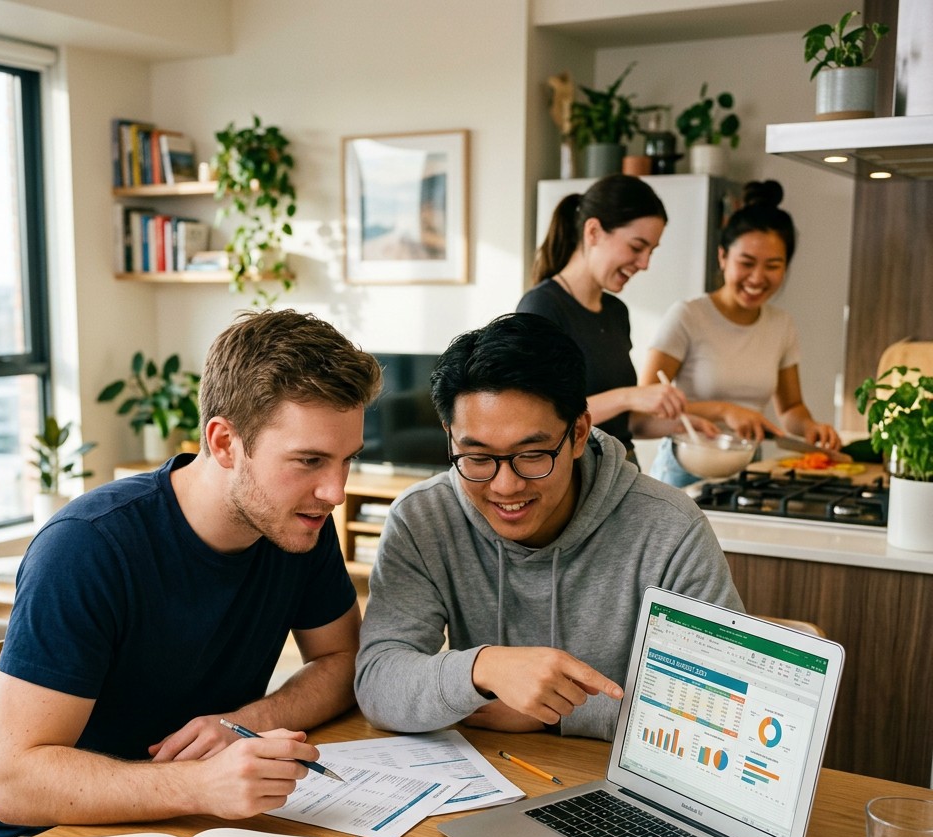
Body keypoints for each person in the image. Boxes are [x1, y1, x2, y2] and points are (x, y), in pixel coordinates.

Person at [0, 308, 382, 837]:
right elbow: (16, 784)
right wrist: (200, 783)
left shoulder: (297, 522)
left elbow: (344, 661)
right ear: (226, 442)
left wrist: (245, 726)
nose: (334, 491)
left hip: (187, 825)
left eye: (346, 460)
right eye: (309, 460)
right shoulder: (86, 548)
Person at [355, 312, 742, 740]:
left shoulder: (670, 528)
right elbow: (378, 681)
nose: (505, 486)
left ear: (578, 433)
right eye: (478, 457)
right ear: (449, 436)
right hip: (487, 777)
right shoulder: (423, 518)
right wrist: (484, 668)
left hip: (615, 782)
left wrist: (558, 711)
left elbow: (724, 708)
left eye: (532, 454)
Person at [641, 179, 842, 487]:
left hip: (747, 467)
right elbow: (646, 405)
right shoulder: (688, 315)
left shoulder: (781, 324)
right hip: (685, 468)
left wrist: (810, 427)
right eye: (746, 263)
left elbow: (790, 409)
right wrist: (724, 410)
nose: (757, 278)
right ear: (723, 258)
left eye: (773, 265)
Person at [517, 173, 705, 464]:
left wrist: (684, 426)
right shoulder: (541, 307)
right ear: (593, 232)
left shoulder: (616, 312)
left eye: (651, 251)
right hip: (576, 483)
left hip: (621, 473)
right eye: (636, 247)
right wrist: (629, 396)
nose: (644, 264)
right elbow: (538, 418)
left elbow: (624, 424)